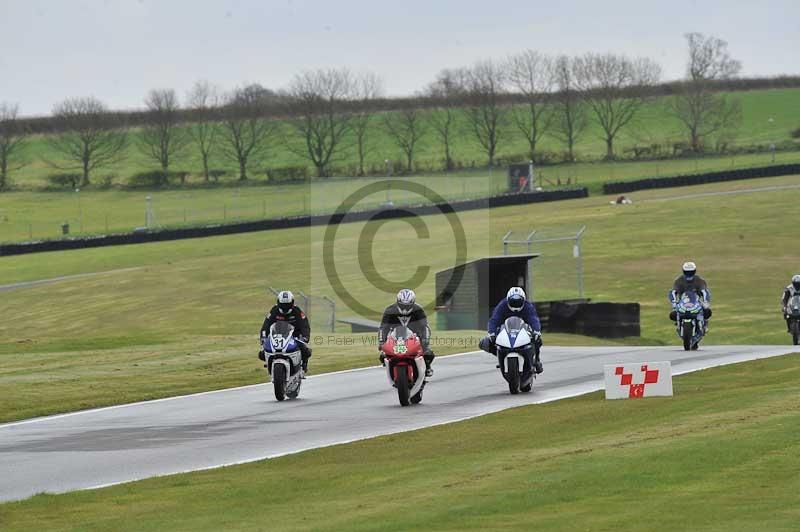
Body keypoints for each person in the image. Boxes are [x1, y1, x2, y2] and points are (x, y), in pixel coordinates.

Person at [479, 287, 543, 374]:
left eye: (518, 302)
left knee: (537, 340)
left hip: (524, 330)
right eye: (513, 302)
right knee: (485, 342)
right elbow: (494, 320)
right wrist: (492, 333)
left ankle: (536, 360)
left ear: (523, 300)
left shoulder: (528, 306)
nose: (516, 305)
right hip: (505, 330)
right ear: (508, 300)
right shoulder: (502, 305)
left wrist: (536, 331)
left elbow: (534, 319)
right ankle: (500, 355)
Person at [378, 289, 435, 377]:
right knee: (383, 356)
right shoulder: (390, 310)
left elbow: (425, 327)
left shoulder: (418, 310)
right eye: (402, 305)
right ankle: (391, 368)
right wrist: (381, 342)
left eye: (407, 306)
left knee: (428, 354)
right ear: (398, 302)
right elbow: (383, 328)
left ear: (412, 303)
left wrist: (425, 341)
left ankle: (427, 367)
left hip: (415, 336)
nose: (405, 309)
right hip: (395, 337)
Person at [259, 290, 312, 373]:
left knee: (306, 352)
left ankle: (303, 365)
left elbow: (304, 324)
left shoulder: (296, 310)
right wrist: (263, 337)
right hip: (277, 335)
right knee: (262, 354)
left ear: (292, 302)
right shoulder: (275, 310)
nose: (285, 307)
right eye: (283, 305)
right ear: (279, 302)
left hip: (294, 336)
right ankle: (270, 363)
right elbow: (266, 324)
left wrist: (305, 337)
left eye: (287, 305)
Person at [668, 261, 712, 331]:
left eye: (691, 272)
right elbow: (673, 292)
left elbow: (705, 292)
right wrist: (673, 302)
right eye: (687, 272)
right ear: (683, 272)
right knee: (672, 314)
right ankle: (678, 323)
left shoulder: (699, 280)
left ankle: (705, 324)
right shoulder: (679, 280)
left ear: (694, 272)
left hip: (696, 302)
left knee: (707, 311)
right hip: (682, 303)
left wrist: (706, 301)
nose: (689, 274)